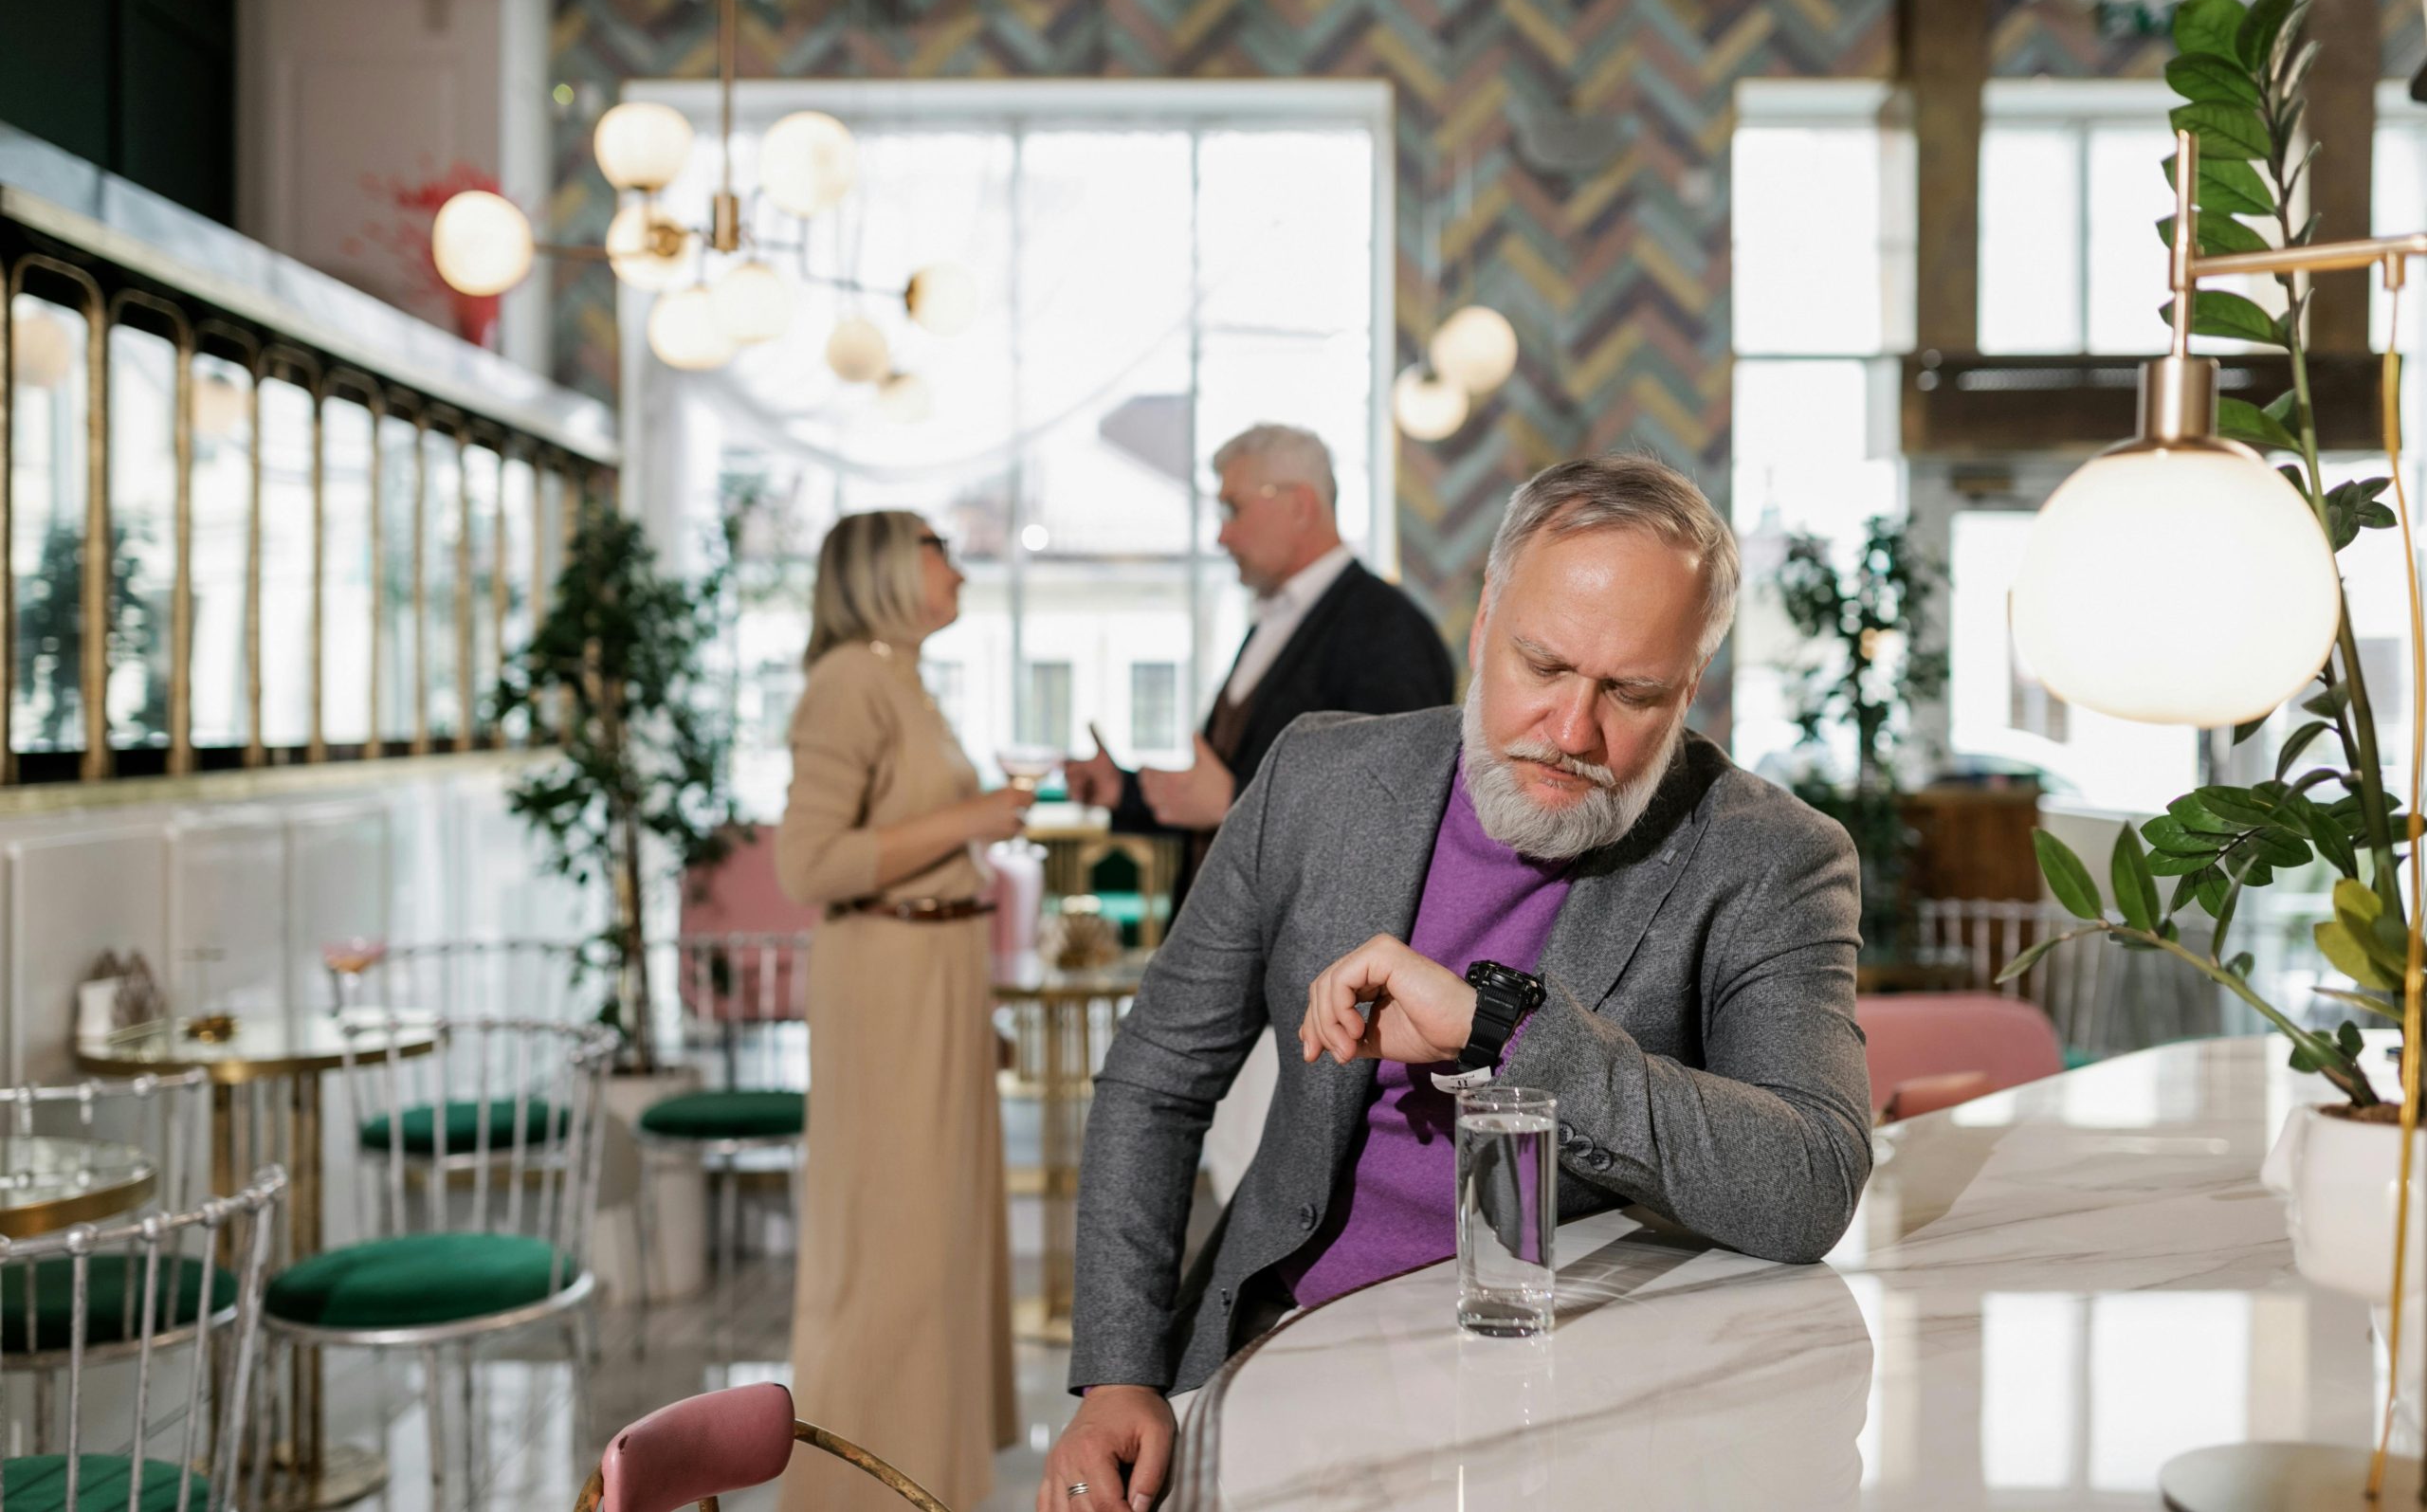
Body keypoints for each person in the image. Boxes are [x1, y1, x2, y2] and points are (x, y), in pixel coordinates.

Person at [1039, 456, 1871, 1512]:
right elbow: (1155, 1081)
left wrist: (1500, 1030)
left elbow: (1806, 1184)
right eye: (1542, 665)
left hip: (1567, 1411)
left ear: (1690, 687)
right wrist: (1118, 1374)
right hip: (1272, 1350)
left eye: (1630, 691)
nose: (1572, 733)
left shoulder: (1768, 858)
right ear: (1482, 629)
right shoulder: (1316, 780)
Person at [774, 511, 1029, 1512]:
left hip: (936, 963)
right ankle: (861, 1489)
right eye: (940, 548)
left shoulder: (899, 675)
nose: (956, 567)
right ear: (887, 568)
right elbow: (809, 861)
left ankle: (929, 1474)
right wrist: (977, 817)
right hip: (888, 974)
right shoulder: (847, 681)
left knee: (940, 1230)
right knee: (895, 1238)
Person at [1063, 423, 1454, 907]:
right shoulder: (1276, 618)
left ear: (1299, 505)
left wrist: (1233, 803)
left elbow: (1396, 806)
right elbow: (1221, 789)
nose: (1222, 534)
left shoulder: (1388, 630)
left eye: (1234, 508)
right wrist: (1122, 792)